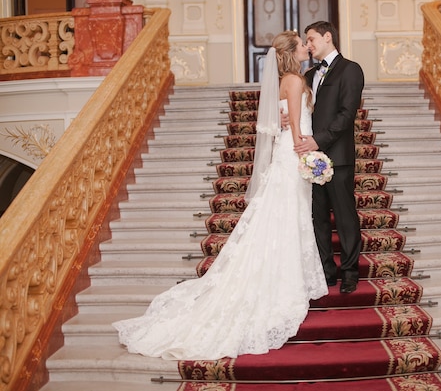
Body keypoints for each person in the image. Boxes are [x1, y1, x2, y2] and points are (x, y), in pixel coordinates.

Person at [112, 30, 328, 360]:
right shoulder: (296, 82)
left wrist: (294, 137)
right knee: (289, 218)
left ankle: (280, 280)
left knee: (284, 218)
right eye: (302, 44)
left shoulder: (285, 80)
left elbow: (282, 118)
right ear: (291, 51)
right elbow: (297, 127)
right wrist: (307, 154)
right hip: (293, 154)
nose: (306, 47)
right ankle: (284, 286)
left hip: (284, 155)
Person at [293, 21, 365, 294]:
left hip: (338, 156)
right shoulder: (309, 75)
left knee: (345, 216)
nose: (308, 45)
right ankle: (326, 270)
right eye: (306, 42)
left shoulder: (351, 70)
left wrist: (319, 140)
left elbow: (347, 115)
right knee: (318, 216)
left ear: (327, 37)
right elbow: (304, 108)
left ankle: (349, 271)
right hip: (311, 158)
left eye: (311, 40)